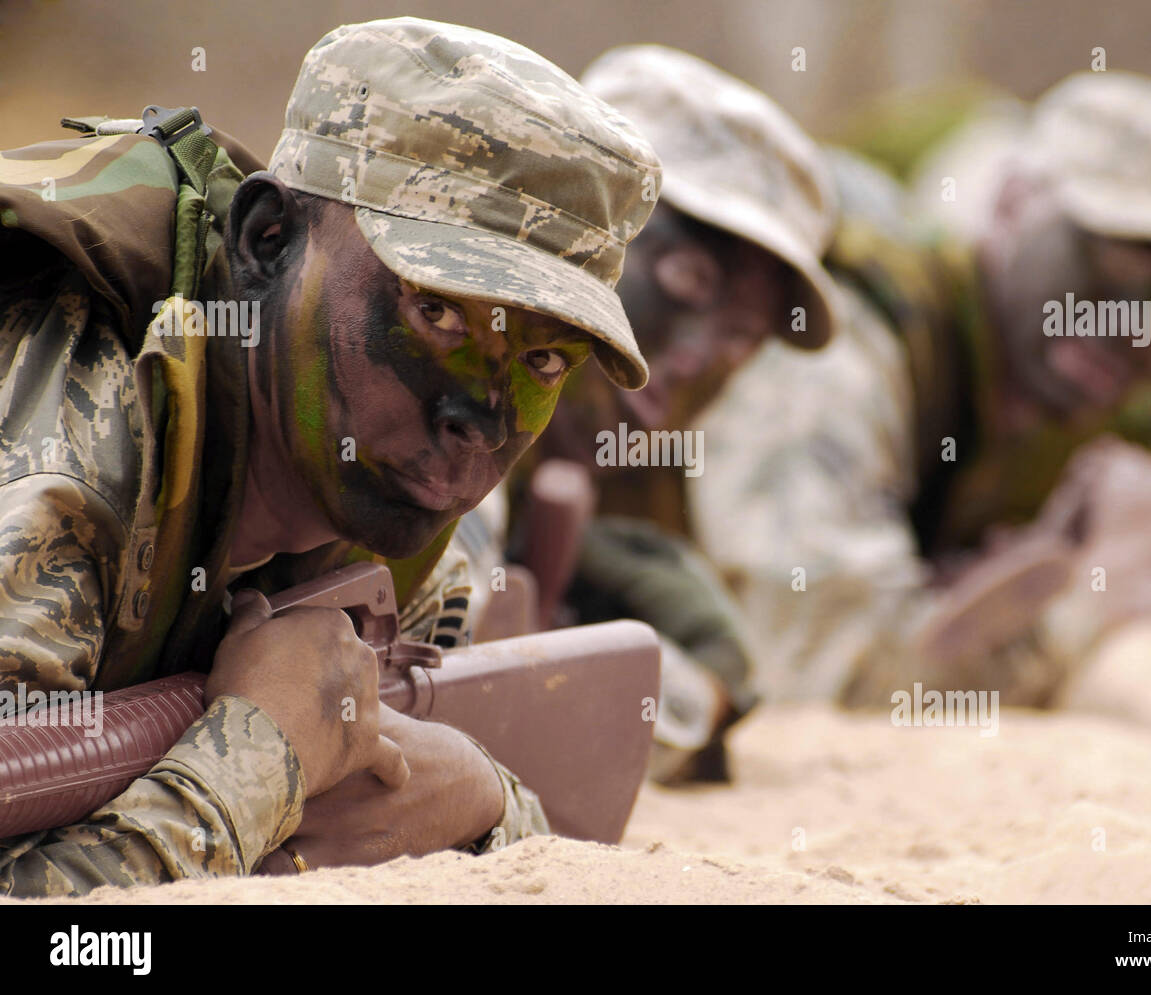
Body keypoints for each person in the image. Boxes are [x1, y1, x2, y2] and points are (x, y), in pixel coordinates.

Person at [0, 17, 661, 896]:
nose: (482, 417)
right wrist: (254, 762)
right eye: (438, 315)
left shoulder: (407, 524)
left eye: (543, 359)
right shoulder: (73, 453)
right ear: (268, 239)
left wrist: (479, 796)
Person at [690, 71, 1151, 707]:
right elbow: (827, 673)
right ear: (1012, 202)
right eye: (1122, 265)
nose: (1134, 327)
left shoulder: (1012, 387)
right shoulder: (844, 350)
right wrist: (1094, 599)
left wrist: (1047, 562)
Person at [504, 45, 840, 782]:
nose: (695, 358)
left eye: (742, 336)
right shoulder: (457, 351)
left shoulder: (633, 439)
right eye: (687, 279)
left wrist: (695, 685)